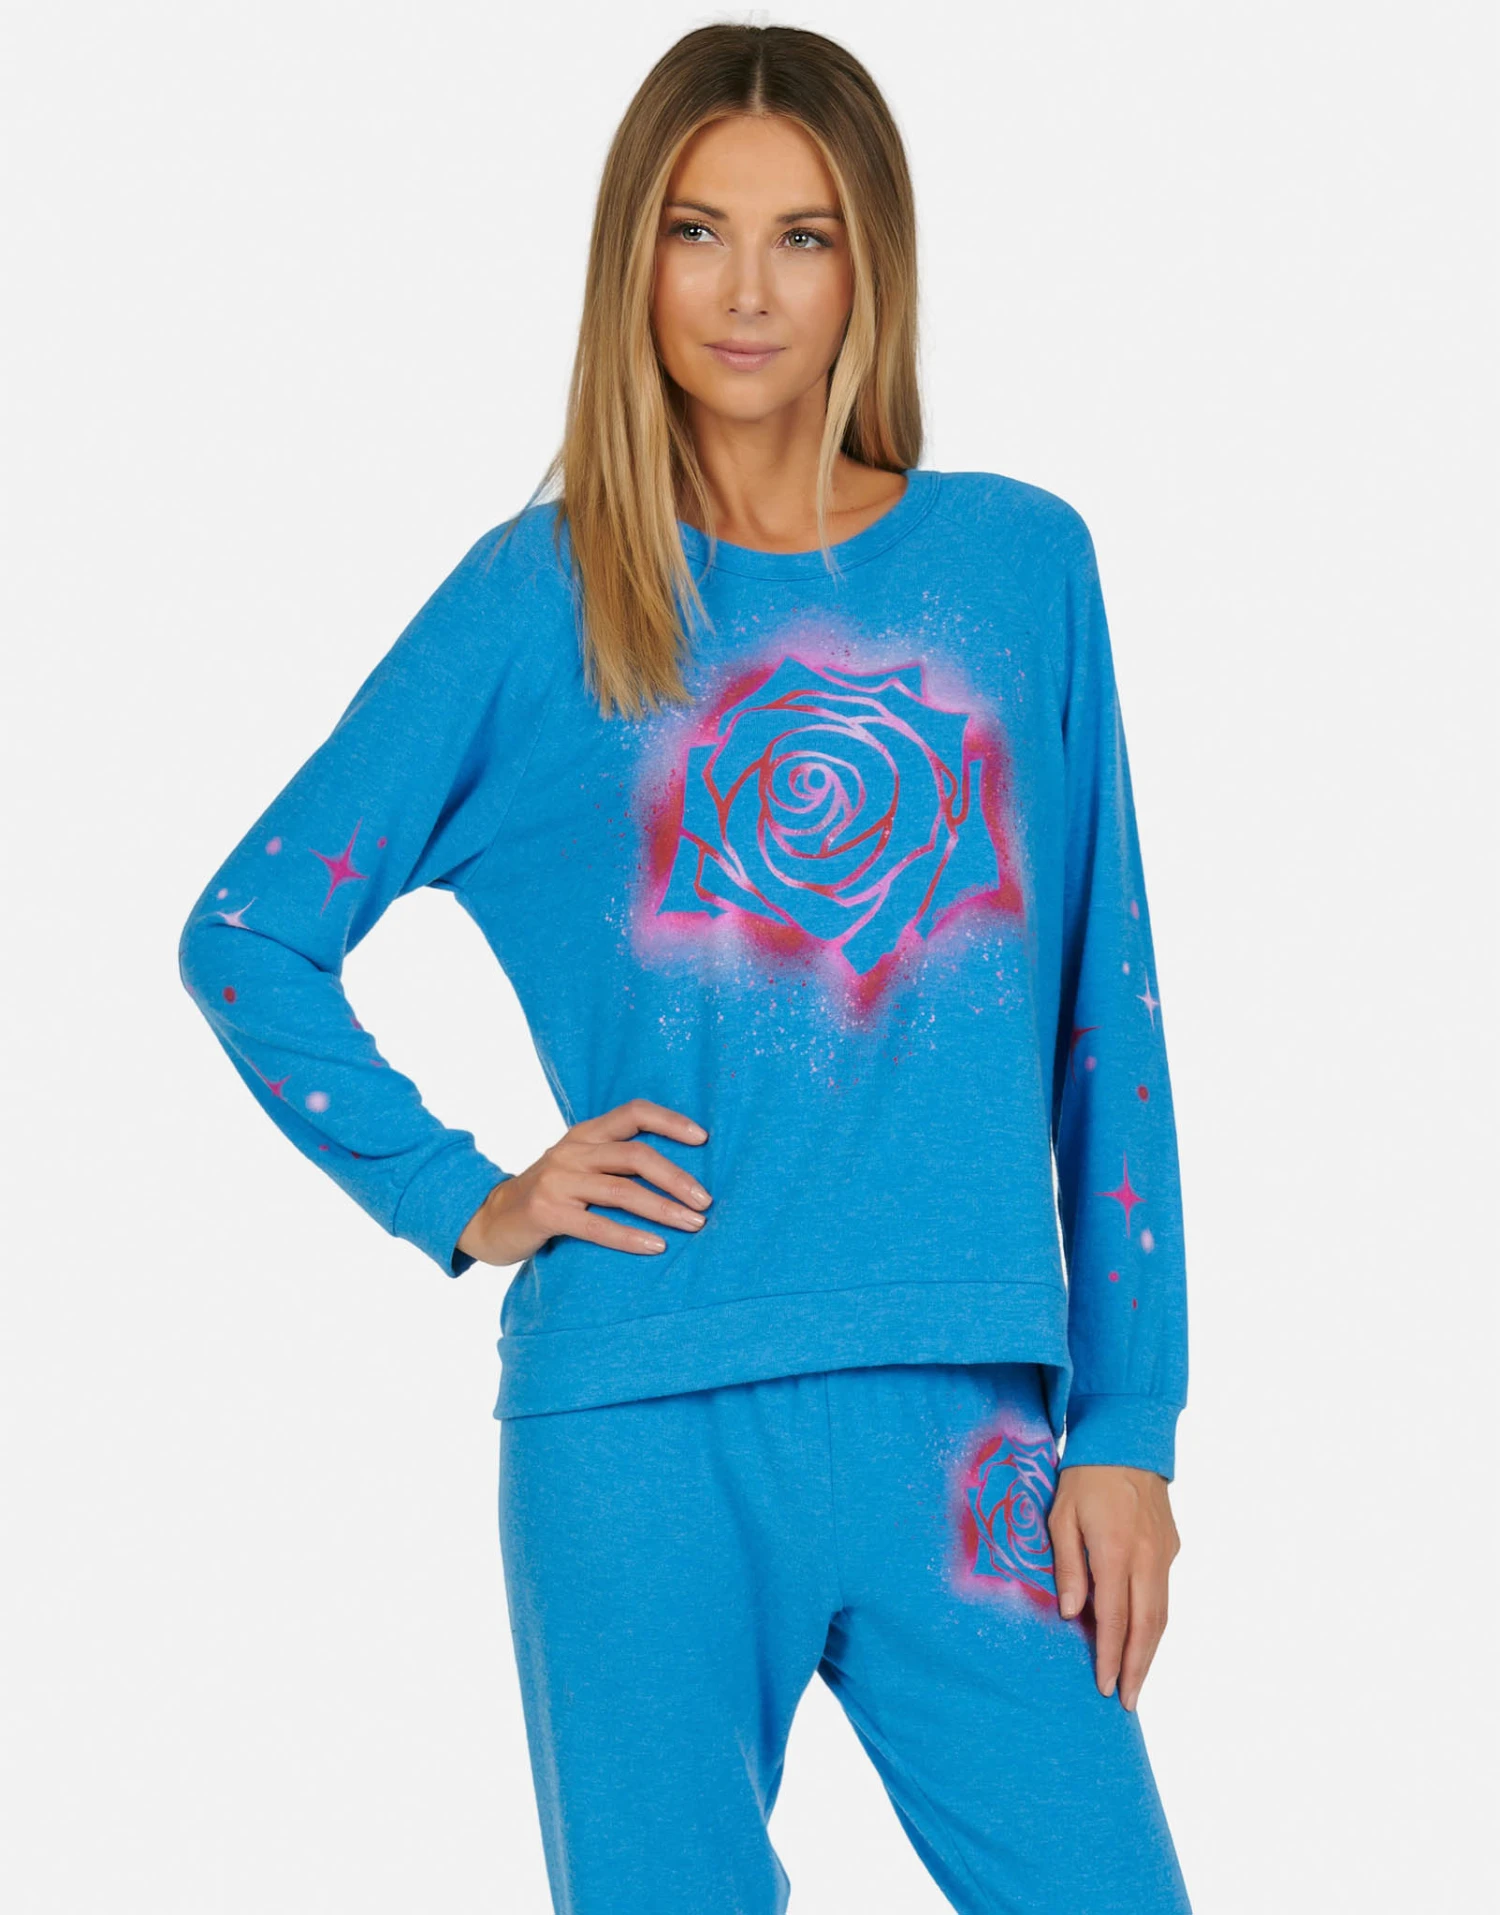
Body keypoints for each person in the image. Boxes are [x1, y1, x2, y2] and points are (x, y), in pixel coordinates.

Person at [178, 21, 1193, 1913]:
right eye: (696, 230)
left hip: (968, 1431)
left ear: (872, 263)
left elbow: (1103, 1025)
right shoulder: (541, 592)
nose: (746, 291)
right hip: (636, 1423)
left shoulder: (1018, 565)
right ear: (630, 258)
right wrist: (464, 1194)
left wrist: (1130, 1426)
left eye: (804, 236)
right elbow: (248, 932)